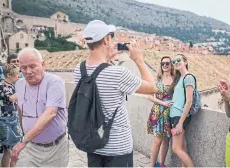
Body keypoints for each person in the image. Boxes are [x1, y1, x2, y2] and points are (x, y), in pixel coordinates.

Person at [74, 20, 157, 167]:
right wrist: (139, 60)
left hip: (93, 143)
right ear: (106, 40)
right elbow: (153, 87)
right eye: (110, 37)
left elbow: (97, 74)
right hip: (118, 148)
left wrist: (106, 59)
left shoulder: (79, 70)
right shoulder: (117, 73)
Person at [11, 48, 68, 167]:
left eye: (32, 66)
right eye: (24, 68)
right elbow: (21, 110)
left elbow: (50, 114)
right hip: (30, 147)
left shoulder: (54, 82)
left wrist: (23, 141)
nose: (28, 71)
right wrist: (24, 135)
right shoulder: (19, 85)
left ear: (43, 65)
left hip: (54, 149)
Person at [146, 56, 174, 167]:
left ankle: (162, 165)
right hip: (158, 112)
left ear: (171, 64)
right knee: (157, 141)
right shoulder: (157, 78)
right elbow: (149, 96)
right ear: (161, 65)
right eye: (163, 63)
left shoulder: (175, 79)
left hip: (170, 113)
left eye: (167, 63)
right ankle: (151, 166)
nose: (165, 65)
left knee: (166, 140)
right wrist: (163, 103)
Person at [169, 54, 194, 167]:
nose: (176, 62)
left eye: (178, 60)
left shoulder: (188, 77)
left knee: (176, 149)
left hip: (180, 116)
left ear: (185, 61)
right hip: (175, 115)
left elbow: (189, 101)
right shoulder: (181, 78)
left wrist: (180, 123)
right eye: (174, 61)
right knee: (182, 147)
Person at [0, 64, 22, 167]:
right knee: (8, 150)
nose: (18, 76)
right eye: (16, 74)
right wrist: (23, 89)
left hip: (14, 118)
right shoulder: (1, 85)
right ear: (9, 75)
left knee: (15, 149)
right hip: (5, 120)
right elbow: (10, 98)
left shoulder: (13, 85)